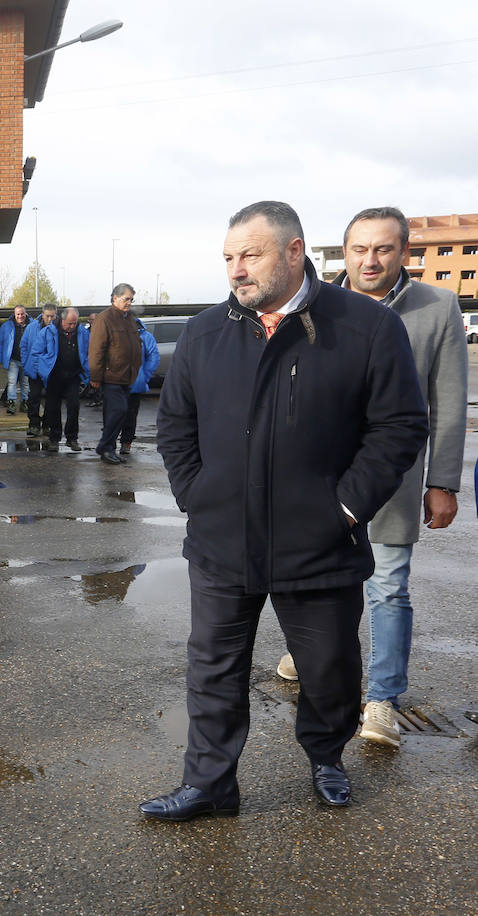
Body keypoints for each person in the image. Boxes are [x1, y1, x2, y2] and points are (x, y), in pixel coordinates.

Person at [142, 200, 427, 821]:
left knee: (329, 670)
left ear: (294, 252)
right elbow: (175, 426)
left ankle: (326, 757)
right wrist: (197, 494)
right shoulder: (205, 331)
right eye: (228, 259)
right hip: (223, 540)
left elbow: (399, 426)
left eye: (250, 255)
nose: (236, 271)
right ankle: (210, 784)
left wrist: (346, 508)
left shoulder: (365, 327)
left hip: (320, 542)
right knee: (212, 670)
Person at [276, 207, 467, 750]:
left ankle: (382, 699)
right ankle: (307, 650)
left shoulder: (436, 308)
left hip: (393, 480)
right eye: (359, 249)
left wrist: (443, 481)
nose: (370, 260)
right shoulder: (312, 305)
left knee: (386, 587)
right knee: (310, 579)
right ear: (345, 253)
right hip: (319, 477)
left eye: (383, 249)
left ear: (404, 253)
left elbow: (447, 403)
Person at [88, 284, 142, 464]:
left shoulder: (129, 319)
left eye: (131, 299)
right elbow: (96, 350)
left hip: (127, 376)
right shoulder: (105, 319)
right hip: (111, 375)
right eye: (126, 299)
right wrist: (95, 376)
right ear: (115, 298)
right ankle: (104, 447)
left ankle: (108, 449)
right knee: (118, 411)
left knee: (116, 414)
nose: (129, 303)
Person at [33, 307, 89, 449]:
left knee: (74, 406)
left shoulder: (83, 333)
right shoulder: (47, 332)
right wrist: (43, 369)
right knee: (53, 408)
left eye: (74, 323)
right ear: (62, 319)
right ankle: (54, 437)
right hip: (54, 376)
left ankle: (72, 438)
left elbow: (88, 352)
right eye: (69, 323)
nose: (72, 326)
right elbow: (36, 353)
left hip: (73, 376)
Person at [119, 317, 161, 456]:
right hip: (115, 381)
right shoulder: (116, 332)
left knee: (130, 414)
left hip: (134, 383)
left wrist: (144, 375)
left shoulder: (145, 337)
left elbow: (153, 357)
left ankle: (126, 442)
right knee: (113, 413)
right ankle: (110, 442)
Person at [20, 302, 57, 436]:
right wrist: (26, 363)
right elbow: (23, 345)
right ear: (43, 314)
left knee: (50, 399)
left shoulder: (58, 330)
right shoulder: (32, 327)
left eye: (52, 316)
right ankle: (34, 424)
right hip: (34, 368)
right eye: (47, 316)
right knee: (34, 397)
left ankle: (47, 424)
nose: (50, 319)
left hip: (51, 371)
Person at [0, 306, 29, 413]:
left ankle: (25, 403)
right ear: (14, 314)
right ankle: (11, 403)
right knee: (12, 382)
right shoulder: (6, 326)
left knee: (25, 383)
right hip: (12, 360)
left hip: (26, 360)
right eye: (18, 314)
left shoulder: (32, 326)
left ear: (25, 313)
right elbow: (0, 343)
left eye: (22, 314)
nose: (20, 316)